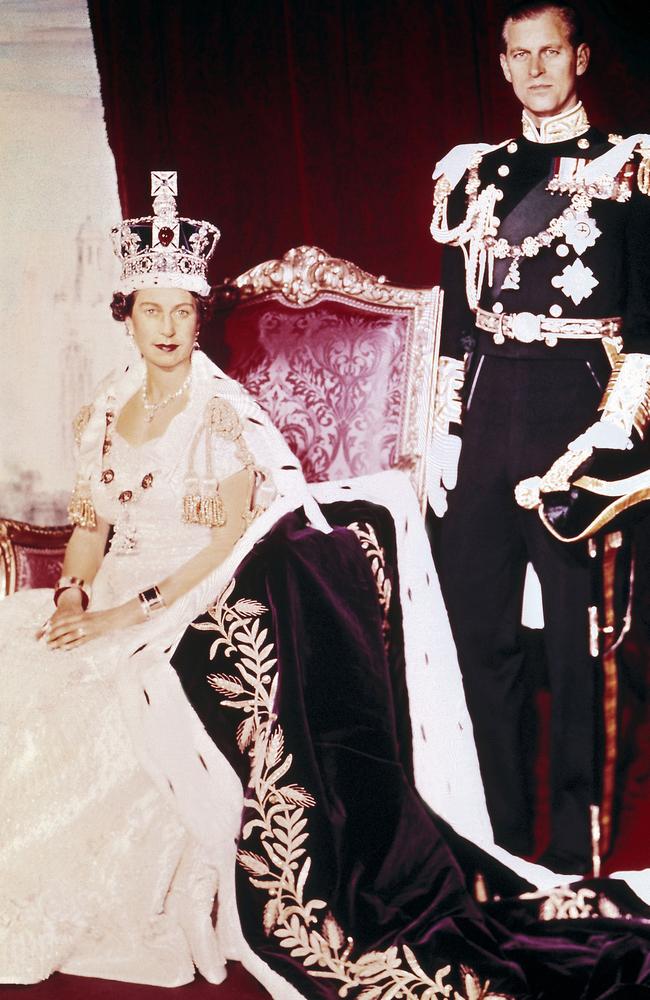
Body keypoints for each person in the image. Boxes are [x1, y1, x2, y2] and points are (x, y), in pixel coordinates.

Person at [429, 0, 650, 873]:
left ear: (581, 57)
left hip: (580, 406)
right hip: (488, 406)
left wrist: (612, 432)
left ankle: (571, 856)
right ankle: (501, 841)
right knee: (478, 633)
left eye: (549, 52)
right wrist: (443, 429)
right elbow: (455, 316)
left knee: (576, 639)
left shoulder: (631, 168)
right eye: (517, 55)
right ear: (503, 64)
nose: (533, 70)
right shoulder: (474, 174)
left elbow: (646, 323)